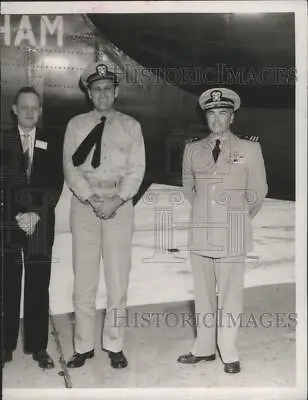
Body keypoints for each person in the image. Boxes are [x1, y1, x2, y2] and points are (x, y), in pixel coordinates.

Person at [178, 88, 268, 373]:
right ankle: (203, 348)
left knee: (230, 295)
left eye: (222, 113)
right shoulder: (192, 148)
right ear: (206, 116)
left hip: (232, 232)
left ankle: (228, 350)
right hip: (201, 232)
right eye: (211, 114)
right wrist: (207, 211)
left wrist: (236, 218)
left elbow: (258, 191)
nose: (216, 120)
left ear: (233, 116)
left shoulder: (249, 148)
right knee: (203, 294)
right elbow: (188, 188)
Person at [63, 62, 145, 369]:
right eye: (96, 89)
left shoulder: (131, 127)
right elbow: (70, 168)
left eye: (107, 88)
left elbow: (137, 170)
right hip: (84, 207)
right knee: (84, 281)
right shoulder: (75, 125)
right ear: (88, 93)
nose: (102, 94)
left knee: (117, 281)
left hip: (119, 208)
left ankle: (115, 344)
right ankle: (83, 346)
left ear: (116, 91)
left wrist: (117, 199)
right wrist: (91, 198)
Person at [1, 86, 64, 369]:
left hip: (39, 223)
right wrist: (15, 215)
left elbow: (55, 182)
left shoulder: (51, 139)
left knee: (39, 285)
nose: (29, 111)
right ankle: (5, 346)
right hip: (9, 225)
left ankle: (38, 347)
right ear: (14, 109)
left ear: (39, 111)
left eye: (35, 107)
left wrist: (36, 213)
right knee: (8, 285)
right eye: (24, 106)